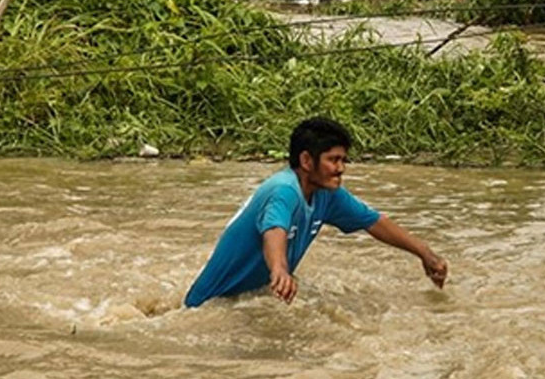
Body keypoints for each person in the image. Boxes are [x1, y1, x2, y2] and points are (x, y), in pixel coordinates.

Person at [184, 117, 448, 307]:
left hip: (250, 301)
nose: (341, 168)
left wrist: (425, 254)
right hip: (210, 307)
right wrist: (280, 270)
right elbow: (274, 230)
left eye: (344, 160)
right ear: (307, 160)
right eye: (333, 160)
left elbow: (373, 221)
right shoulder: (284, 189)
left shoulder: (327, 195)